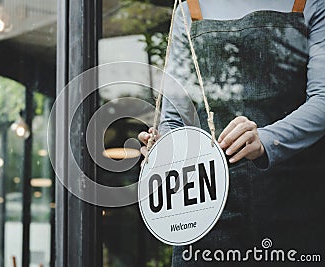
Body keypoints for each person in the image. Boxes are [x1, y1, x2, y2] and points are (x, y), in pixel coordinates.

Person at [138, 0, 325, 265]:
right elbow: (174, 118)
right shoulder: (188, 8)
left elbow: (322, 99)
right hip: (204, 210)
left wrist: (266, 139)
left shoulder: (309, 4)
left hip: (294, 201)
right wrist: (165, 146)